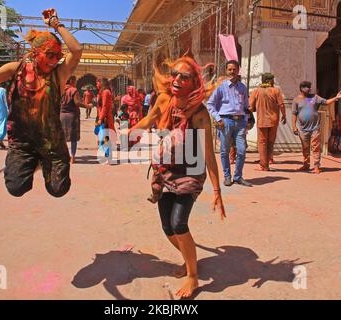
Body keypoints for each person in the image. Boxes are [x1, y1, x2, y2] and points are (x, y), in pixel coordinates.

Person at [128, 55, 226, 298]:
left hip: (190, 172)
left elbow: (209, 156)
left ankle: (193, 277)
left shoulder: (200, 113)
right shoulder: (163, 100)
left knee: (179, 224)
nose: (177, 80)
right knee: (167, 227)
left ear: (194, 83)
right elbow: (149, 120)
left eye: (185, 77)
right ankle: (189, 258)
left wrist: (217, 191)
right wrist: (131, 132)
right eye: (175, 75)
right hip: (165, 169)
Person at [0, 8, 82, 197]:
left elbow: (77, 50)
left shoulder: (59, 74)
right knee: (16, 187)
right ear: (35, 52)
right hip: (22, 142)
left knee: (59, 189)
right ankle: (34, 162)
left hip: (51, 142)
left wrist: (56, 24)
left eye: (58, 56)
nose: (55, 60)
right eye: (50, 55)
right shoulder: (16, 69)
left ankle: (43, 160)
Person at [207, 60, 252, 187]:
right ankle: (227, 177)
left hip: (240, 123)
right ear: (226, 71)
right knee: (224, 151)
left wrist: (246, 120)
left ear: (238, 71)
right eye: (230, 69)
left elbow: (246, 105)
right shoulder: (221, 87)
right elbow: (210, 104)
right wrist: (218, 118)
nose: (232, 72)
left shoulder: (242, 87)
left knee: (242, 150)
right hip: (225, 121)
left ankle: (238, 177)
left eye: (234, 69)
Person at [292, 81, 341, 174]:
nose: (308, 89)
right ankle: (306, 164)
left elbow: (326, 102)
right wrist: (294, 127)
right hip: (303, 129)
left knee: (316, 147)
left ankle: (316, 166)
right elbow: (294, 114)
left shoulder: (314, 97)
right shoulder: (296, 100)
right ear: (301, 88)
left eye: (309, 87)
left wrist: (336, 98)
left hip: (315, 128)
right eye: (306, 87)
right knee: (305, 147)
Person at [249, 73, 287, 171]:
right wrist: (284, 116)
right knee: (270, 142)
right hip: (274, 120)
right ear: (271, 81)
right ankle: (269, 160)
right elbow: (281, 105)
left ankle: (264, 165)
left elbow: (250, 106)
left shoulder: (256, 91)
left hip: (262, 121)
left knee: (262, 143)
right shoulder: (276, 91)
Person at [60, 76, 81, 164]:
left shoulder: (60, 89)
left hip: (61, 115)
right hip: (72, 116)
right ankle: (72, 157)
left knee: (62, 137)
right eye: (75, 81)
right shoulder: (73, 90)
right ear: (72, 81)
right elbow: (77, 103)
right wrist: (87, 106)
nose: (75, 82)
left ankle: (63, 156)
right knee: (73, 138)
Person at [96, 78, 115, 161]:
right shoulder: (102, 92)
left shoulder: (105, 92)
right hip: (102, 117)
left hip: (105, 118)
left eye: (97, 83)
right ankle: (107, 155)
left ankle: (108, 156)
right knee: (103, 136)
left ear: (101, 83)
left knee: (105, 137)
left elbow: (105, 106)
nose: (96, 84)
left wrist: (100, 118)